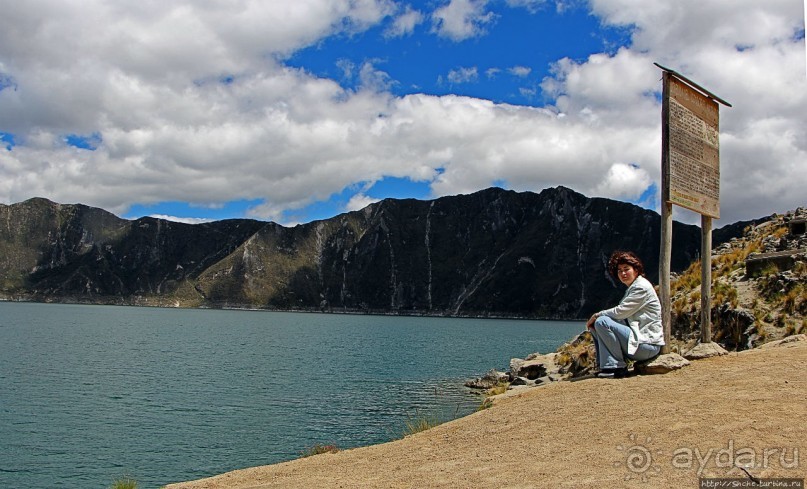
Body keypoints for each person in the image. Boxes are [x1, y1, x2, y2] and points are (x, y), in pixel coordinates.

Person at [585, 251, 664, 378]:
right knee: (597, 324)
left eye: (626, 269)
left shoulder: (641, 287)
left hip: (647, 345)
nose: (623, 273)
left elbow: (621, 312)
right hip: (641, 343)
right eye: (619, 271)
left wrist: (597, 315)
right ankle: (607, 366)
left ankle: (617, 368)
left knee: (602, 321)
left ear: (636, 270)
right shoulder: (634, 287)